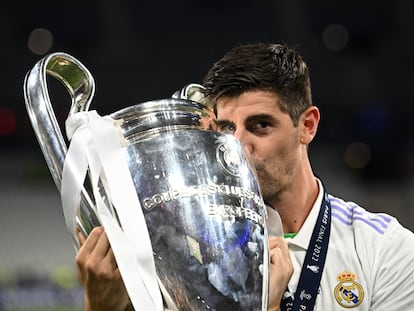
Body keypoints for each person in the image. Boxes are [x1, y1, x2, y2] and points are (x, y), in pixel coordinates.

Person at [76, 42, 414, 310]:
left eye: (260, 126)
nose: (234, 148)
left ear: (307, 126)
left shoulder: (386, 251)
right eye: (225, 129)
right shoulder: (179, 253)